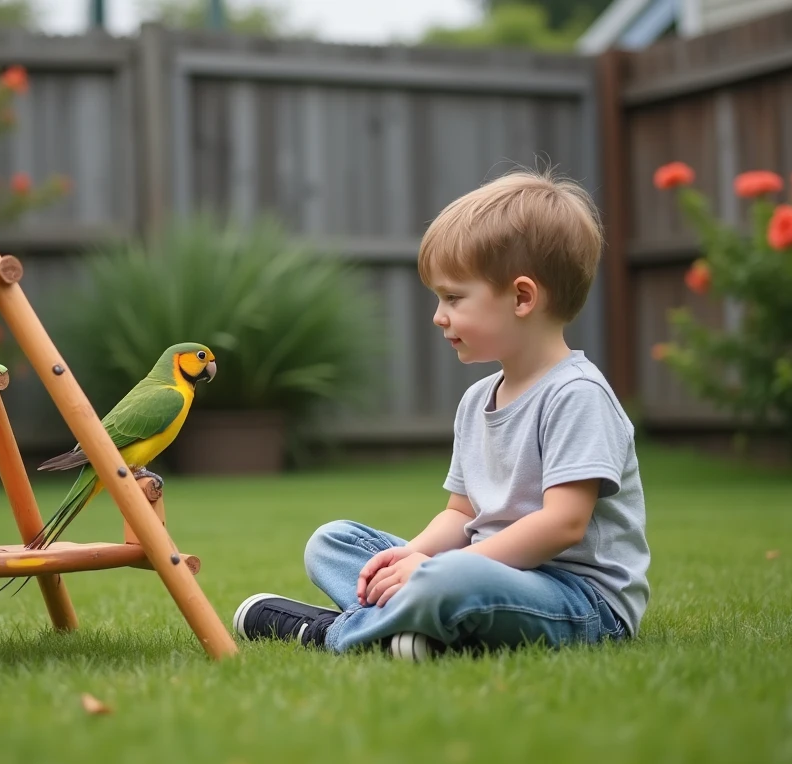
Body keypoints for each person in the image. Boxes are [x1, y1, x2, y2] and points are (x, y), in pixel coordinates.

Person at [233, 167, 650, 660]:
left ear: (522, 297)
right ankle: (414, 628)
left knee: (452, 579)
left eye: (453, 297)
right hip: (481, 573)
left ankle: (333, 632)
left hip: (579, 601)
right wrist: (413, 555)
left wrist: (438, 570)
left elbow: (563, 525)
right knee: (332, 543)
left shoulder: (576, 395)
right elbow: (462, 514)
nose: (438, 315)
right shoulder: (477, 400)